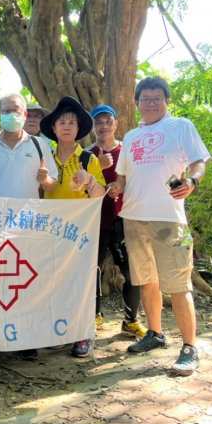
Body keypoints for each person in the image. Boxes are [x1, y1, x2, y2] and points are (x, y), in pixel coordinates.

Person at [109, 77, 211, 376]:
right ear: (137, 103)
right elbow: (123, 176)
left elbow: (199, 162)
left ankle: (190, 347)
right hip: (133, 217)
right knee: (146, 280)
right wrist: (117, 186)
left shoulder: (180, 126)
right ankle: (155, 333)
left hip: (169, 219)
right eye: (145, 99)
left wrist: (192, 181)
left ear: (166, 101)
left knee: (179, 285)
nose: (151, 103)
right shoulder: (131, 137)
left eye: (157, 98)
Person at [0, 93, 59, 360]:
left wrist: (45, 180)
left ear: (25, 115)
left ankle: (26, 338)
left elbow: (52, 184)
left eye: (17, 110)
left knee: (26, 282)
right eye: (6, 110)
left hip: (28, 225)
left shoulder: (39, 145)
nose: (12, 115)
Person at [41, 97, 106, 358]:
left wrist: (89, 180)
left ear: (79, 129)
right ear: (54, 128)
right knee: (54, 281)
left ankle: (82, 334)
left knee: (81, 282)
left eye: (72, 122)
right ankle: (59, 331)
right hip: (49, 231)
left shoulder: (88, 159)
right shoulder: (45, 158)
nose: (67, 126)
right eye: (62, 122)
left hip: (79, 233)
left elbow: (100, 195)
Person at [89, 104, 146, 341]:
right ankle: (93, 316)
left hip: (124, 219)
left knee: (131, 271)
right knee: (92, 270)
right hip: (94, 221)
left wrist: (119, 188)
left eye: (107, 121)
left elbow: (139, 181)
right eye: (98, 122)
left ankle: (131, 320)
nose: (103, 126)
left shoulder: (127, 150)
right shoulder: (86, 154)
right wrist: (98, 171)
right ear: (93, 126)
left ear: (116, 124)